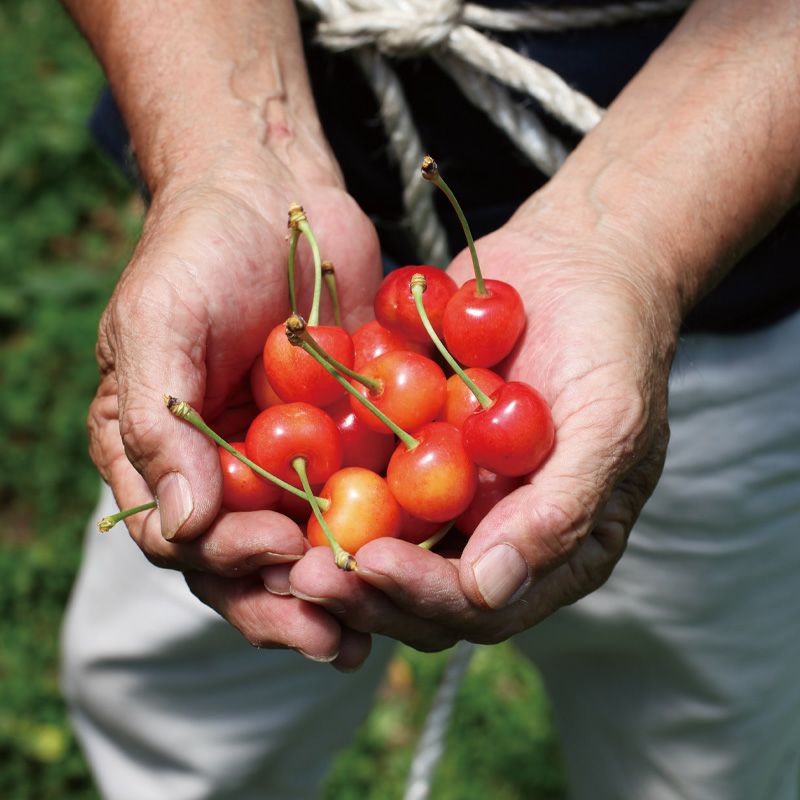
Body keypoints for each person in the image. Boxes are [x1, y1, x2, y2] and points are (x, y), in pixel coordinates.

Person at [60, 1, 800, 798]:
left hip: (717, 266)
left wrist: (635, 236)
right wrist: (230, 142)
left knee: (695, 742)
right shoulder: (293, 397)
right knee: (178, 710)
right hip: (260, 278)